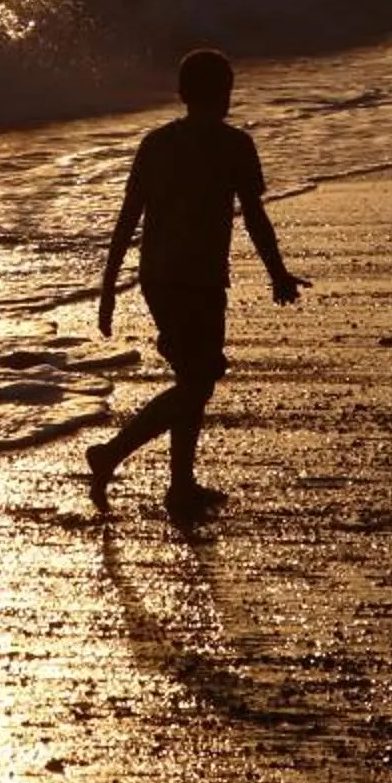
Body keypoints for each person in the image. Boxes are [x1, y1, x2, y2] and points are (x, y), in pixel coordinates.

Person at [88, 49, 305, 515]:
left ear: (181, 93)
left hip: (157, 278)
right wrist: (277, 272)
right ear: (226, 93)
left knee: (193, 377)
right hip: (199, 279)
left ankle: (181, 485)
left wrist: (108, 288)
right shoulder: (235, 146)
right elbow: (255, 219)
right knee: (198, 381)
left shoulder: (156, 143)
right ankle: (112, 453)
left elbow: (127, 220)